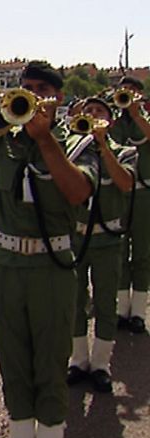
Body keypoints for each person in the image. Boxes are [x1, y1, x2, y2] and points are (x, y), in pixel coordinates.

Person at [0, 61, 98, 438]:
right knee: (12, 362)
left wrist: (45, 139)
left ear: (58, 97)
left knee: (49, 365)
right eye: (24, 87)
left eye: (40, 89)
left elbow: (79, 192)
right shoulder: (3, 138)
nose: (30, 94)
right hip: (7, 264)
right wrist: (1, 104)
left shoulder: (78, 140)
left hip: (52, 265)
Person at [67, 97, 136, 394]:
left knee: (105, 302)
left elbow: (125, 184)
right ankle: (78, 360)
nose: (93, 116)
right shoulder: (72, 151)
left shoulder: (125, 152)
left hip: (107, 240)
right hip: (77, 238)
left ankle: (101, 364)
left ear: (110, 120)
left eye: (99, 112)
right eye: (88, 112)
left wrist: (104, 147)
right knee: (74, 301)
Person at [111, 76, 150, 334]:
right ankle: (121, 310)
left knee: (143, 254)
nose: (128, 94)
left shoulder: (145, 119)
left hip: (145, 192)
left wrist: (137, 115)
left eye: (133, 91)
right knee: (119, 253)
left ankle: (138, 312)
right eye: (124, 91)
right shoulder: (111, 119)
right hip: (119, 193)